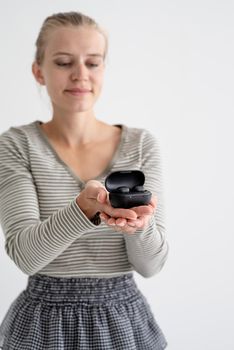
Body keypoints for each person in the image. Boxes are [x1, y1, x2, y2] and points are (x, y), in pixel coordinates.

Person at [0, 11, 168, 350]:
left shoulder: (140, 145)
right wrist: (81, 210)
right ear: (38, 71)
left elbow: (151, 265)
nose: (80, 75)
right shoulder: (16, 145)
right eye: (63, 62)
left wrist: (138, 226)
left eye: (93, 63)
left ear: (103, 69)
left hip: (124, 320)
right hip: (42, 324)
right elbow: (26, 257)